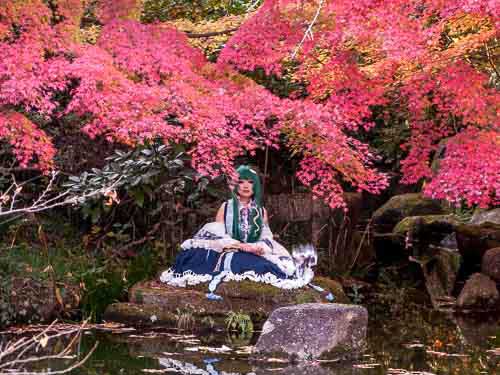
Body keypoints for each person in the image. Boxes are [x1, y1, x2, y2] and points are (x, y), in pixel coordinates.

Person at [159, 165, 315, 295]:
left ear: (255, 186)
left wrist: (257, 247)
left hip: (253, 249)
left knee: (272, 268)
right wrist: (239, 245)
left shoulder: (261, 211)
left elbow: (266, 236)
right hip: (229, 248)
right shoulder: (226, 207)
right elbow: (217, 233)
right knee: (194, 259)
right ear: (235, 186)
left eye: (250, 182)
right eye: (241, 182)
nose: (246, 186)